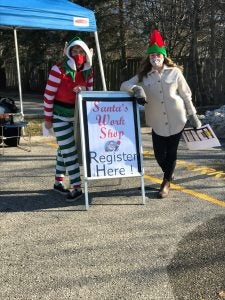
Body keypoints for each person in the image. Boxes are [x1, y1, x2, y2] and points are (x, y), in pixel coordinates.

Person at [120, 29, 201, 198]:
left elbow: (186, 95)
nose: (155, 57)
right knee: (159, 154)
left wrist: (192, 114)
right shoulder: (144, 75)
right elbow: (124, 85)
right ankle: (169, 172)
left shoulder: (175, 72)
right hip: (156, 120)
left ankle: (166, 182)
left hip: (177, 118)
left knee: (172, 152)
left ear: (163, 56)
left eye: (158, 54)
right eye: (152, 55)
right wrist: (136, 89)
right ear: (149, 57)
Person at [43, 36, 93, 201]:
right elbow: (49, 95)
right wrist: (48, 118)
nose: (78, 54)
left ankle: (58, 183)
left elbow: (90, 94)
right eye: (75, 51)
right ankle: (77, 187)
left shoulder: (88, 71)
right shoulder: (58, 69)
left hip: (77, 117)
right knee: (70, 151)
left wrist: (85, 88)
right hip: (59, 117)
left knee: (63, 149)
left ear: (85, 54)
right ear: (69, 52)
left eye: (81, 51)